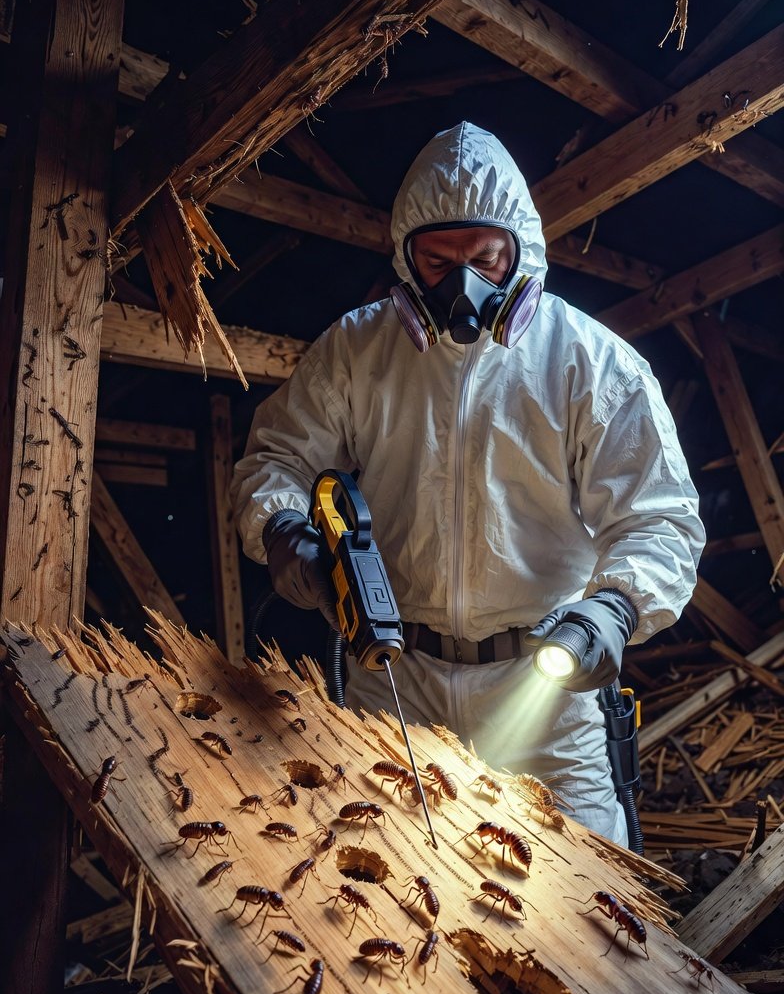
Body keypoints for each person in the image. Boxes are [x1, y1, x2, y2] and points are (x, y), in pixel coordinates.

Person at [231, 122, 705, 844]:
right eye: (438, 261)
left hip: (546, 688)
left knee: (588, 912)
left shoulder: (590, 363)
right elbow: (276, 458)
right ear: (406, 260)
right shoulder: (358, 352)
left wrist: (613, 610)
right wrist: (284, 533)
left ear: (521, 254)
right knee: (385, 875)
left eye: (486, 259)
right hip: (395, 675)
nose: (464, 286)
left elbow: (658, 518)